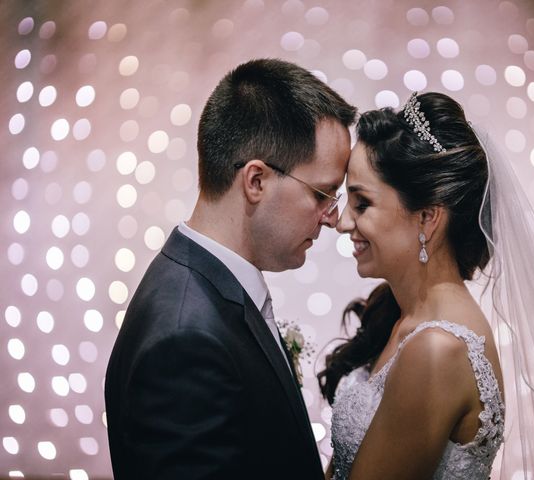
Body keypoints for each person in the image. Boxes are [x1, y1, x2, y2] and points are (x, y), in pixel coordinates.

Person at [319, 92, 534, 479]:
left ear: (427, 219)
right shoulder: (400, 314)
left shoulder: (437, 351)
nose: (343, 223)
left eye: (362, 204)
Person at [105, 58, 356, 479]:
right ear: (255, 180)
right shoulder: (185, 339)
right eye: (322, 194)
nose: (333, 217)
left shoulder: (207, 287)